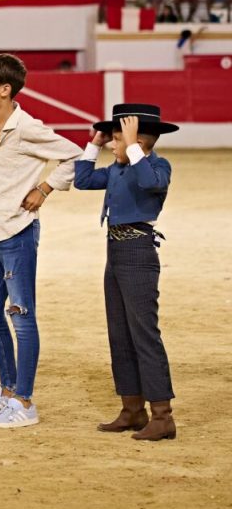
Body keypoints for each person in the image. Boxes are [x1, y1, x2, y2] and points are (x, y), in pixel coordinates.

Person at [0, 54, 81, 428]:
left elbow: (75, 157)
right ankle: (6, 391)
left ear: (5, 89)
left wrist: (45, 188)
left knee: (21, 316)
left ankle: (25, 401)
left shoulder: (28, 128)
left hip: (18, 231)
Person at [74, 104, 180, 441]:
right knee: (119, 333)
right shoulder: (117, 170)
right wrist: (95, 141)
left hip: (138, 252)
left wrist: (131, 145)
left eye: (115, 141)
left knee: (144, 335)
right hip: (116, 252)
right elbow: (83, 179)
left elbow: (149, 181)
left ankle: (162, 416)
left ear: (138, 142)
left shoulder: (157, 166)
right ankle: (132, 409)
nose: (112, 146)